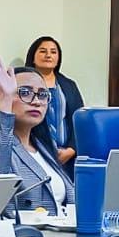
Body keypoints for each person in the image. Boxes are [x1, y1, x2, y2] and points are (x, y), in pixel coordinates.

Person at [0, 47, 74, 217]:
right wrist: (6, 98)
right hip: (25, 236)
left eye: (42, 95)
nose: (36, 101)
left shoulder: (44, 147)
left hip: (63, 232)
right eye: (25, 92)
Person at [25, 36, 84, 170]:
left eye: (53, 52)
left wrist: (72, 149)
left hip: (66, 157)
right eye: (42, 51)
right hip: (34, 154)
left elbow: (79, 120)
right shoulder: (23, 85)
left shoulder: (69, 86)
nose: (48, 55)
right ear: (32, 57)